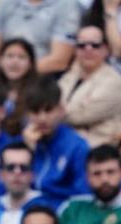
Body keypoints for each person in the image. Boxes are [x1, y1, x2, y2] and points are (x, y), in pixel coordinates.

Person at [56, 23, 121, 148]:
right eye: (82, 45)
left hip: (101, 149)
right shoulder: (69, 76)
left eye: (95, 45)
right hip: (69, 144)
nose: (88, 49)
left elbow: (79, 116)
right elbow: (51, 103)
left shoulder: (114, 82)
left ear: (106, 49)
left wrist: (53, 114)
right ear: (75, 50)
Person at [18, 79, 90, 208]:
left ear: (61, 110)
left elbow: (83, 197)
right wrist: (28, 150)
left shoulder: (77, 146)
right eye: (35, 112)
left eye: (48, 110)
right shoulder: (22, 144)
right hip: (25, 210)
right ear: (27, 115)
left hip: (61, 214)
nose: (42, 118)